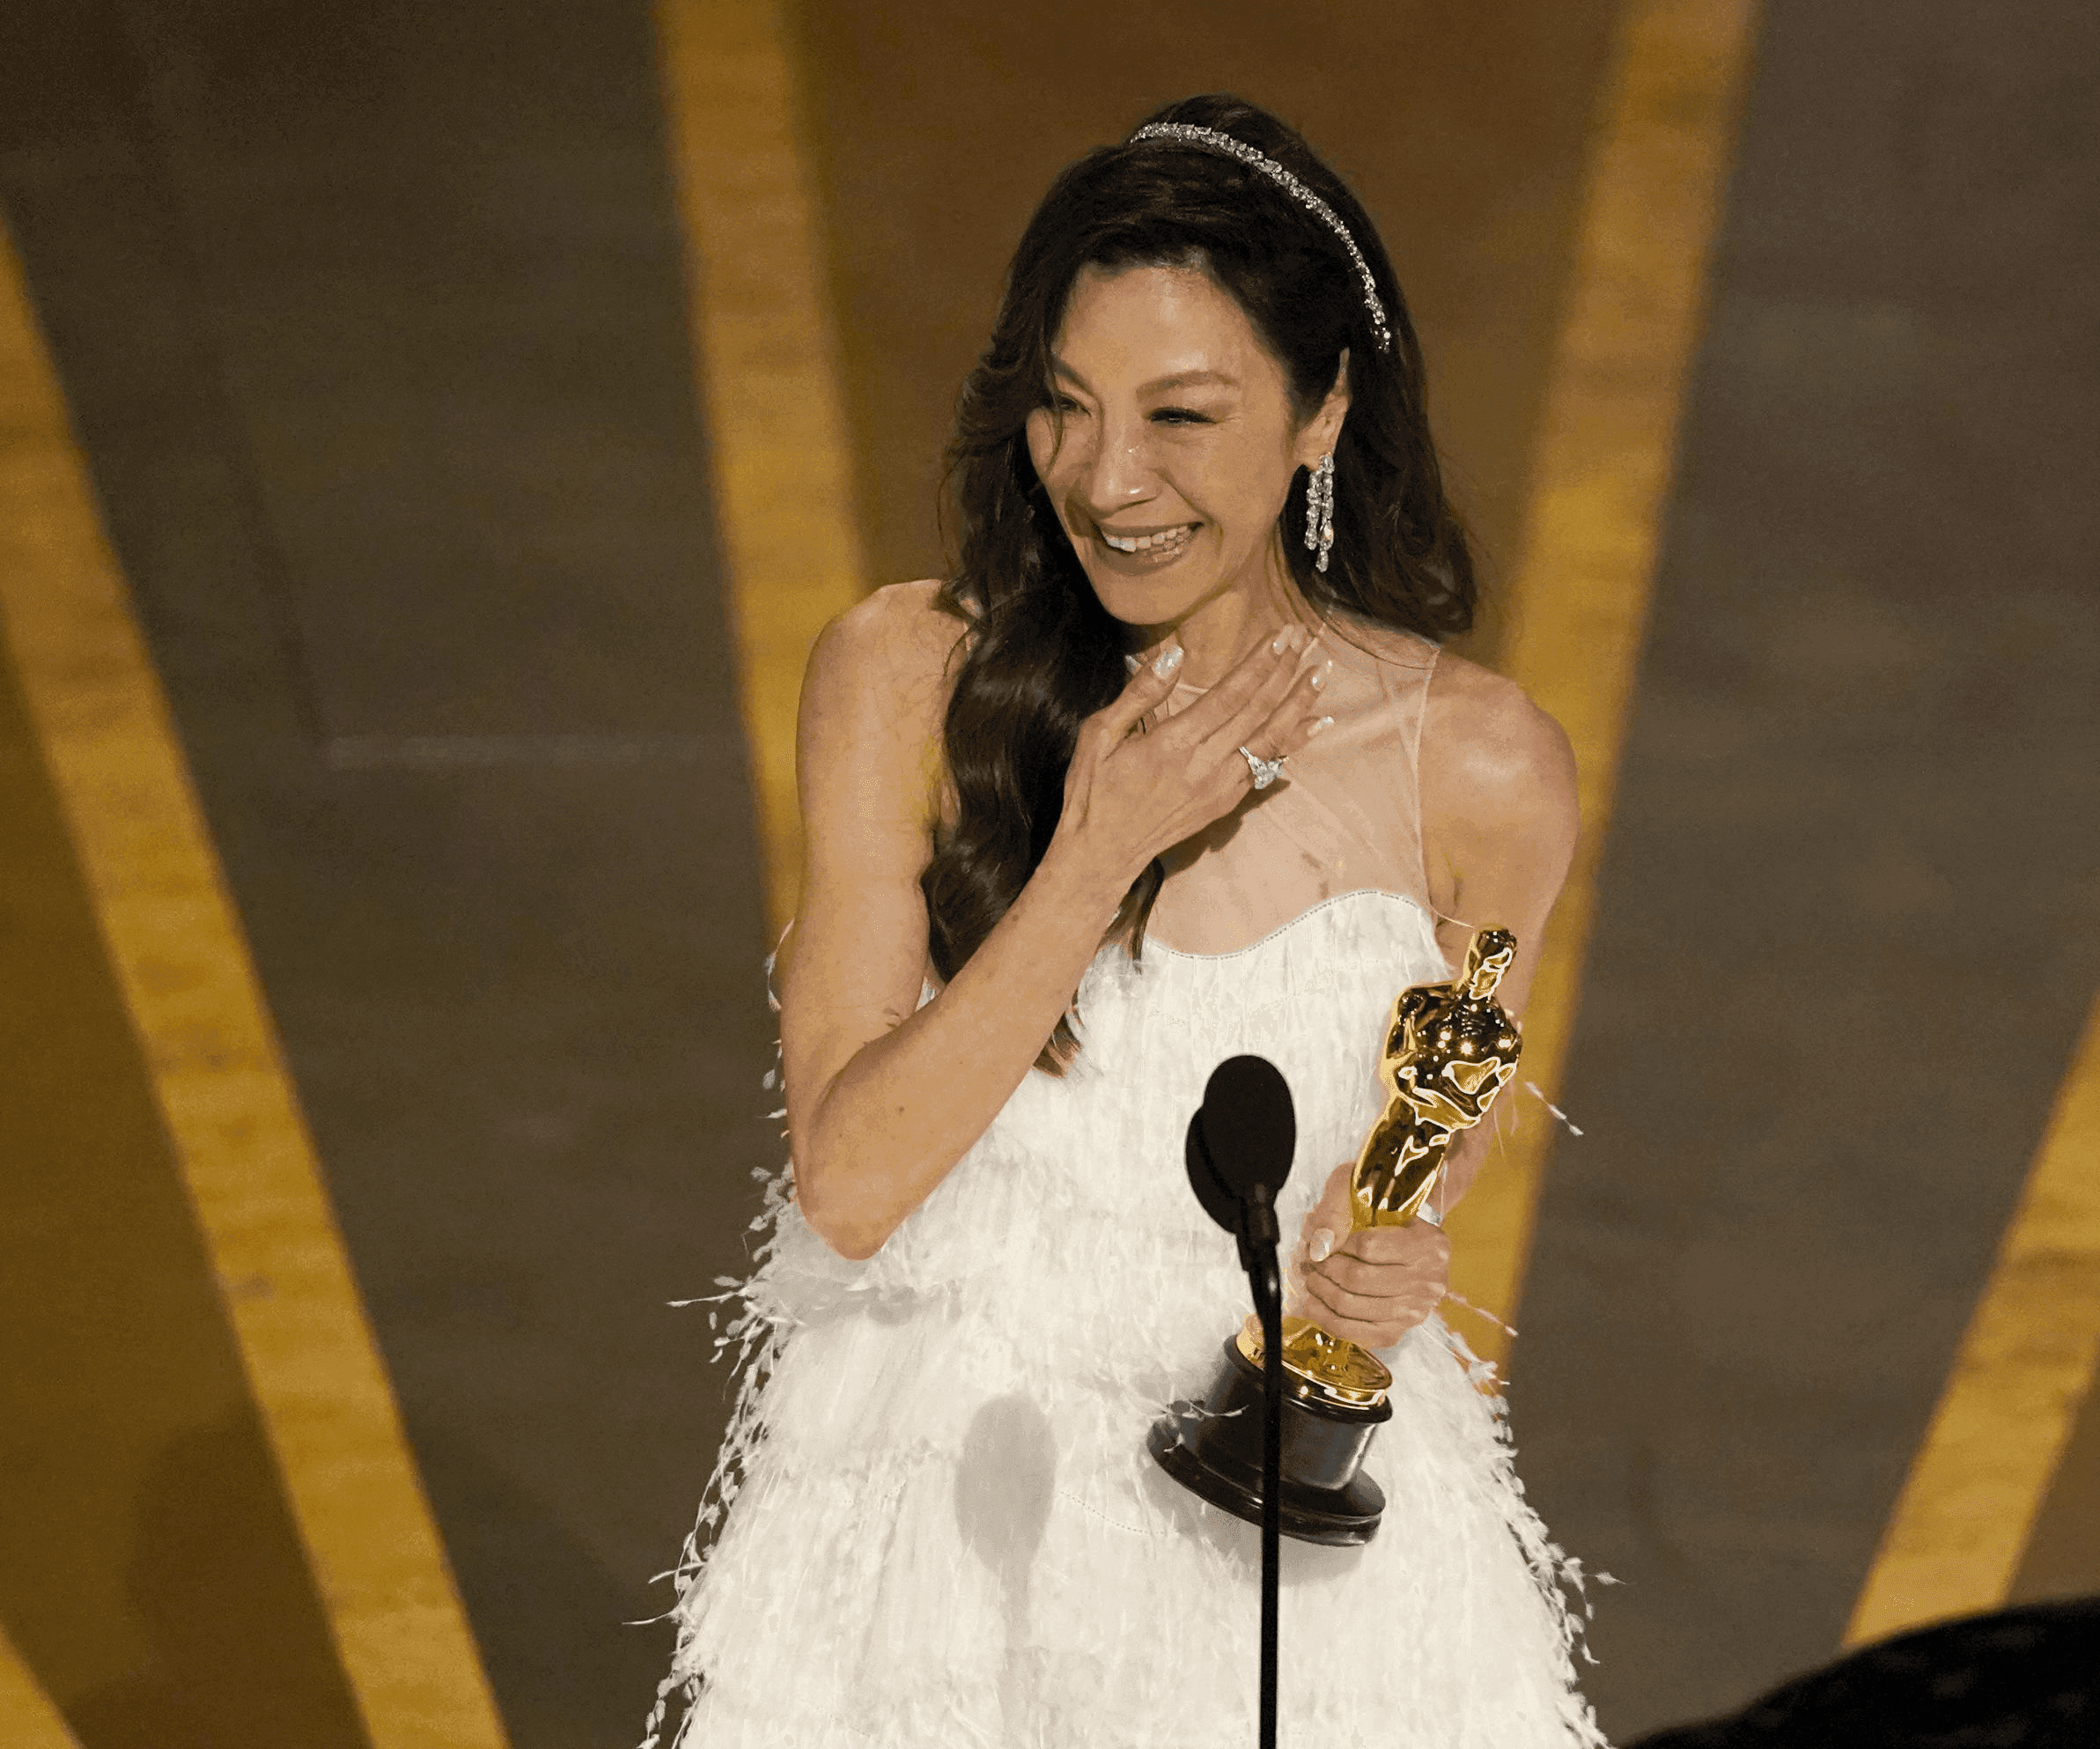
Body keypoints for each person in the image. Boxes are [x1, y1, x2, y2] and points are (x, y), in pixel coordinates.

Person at [646, 93, 1603, 1748]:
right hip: (942, 1531)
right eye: (1068, 410)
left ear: (1321, 413)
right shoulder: (902, 676)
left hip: (1291, 1576)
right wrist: (1095, 855)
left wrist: (1388, 1270)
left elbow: (1412, 1168)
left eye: (1181, 416)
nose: (1109, 478)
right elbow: (852, 1182)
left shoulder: (1486, 771)